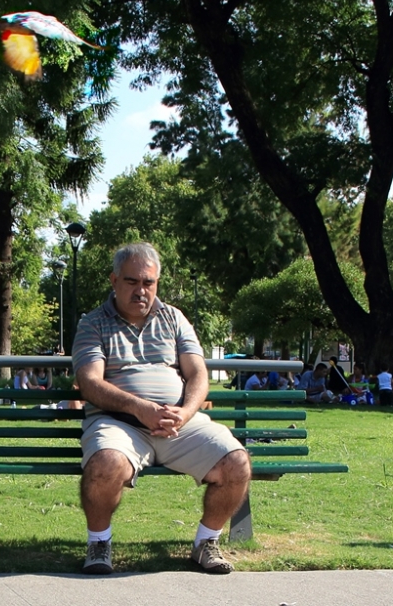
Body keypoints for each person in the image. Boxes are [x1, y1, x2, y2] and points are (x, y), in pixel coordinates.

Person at [73, 242, 250, 575]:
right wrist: (140, 408)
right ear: (114, 280)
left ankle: (206, 543)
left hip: (178, 423)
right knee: (105, 464)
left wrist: (185, 412)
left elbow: (198, 374)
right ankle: (99, 543)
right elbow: (90, 383)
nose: (141, 290)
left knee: (236, 462)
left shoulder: (173, 318)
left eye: (148, 283)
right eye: (132, 282)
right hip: (118, 423)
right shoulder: (93, 324)